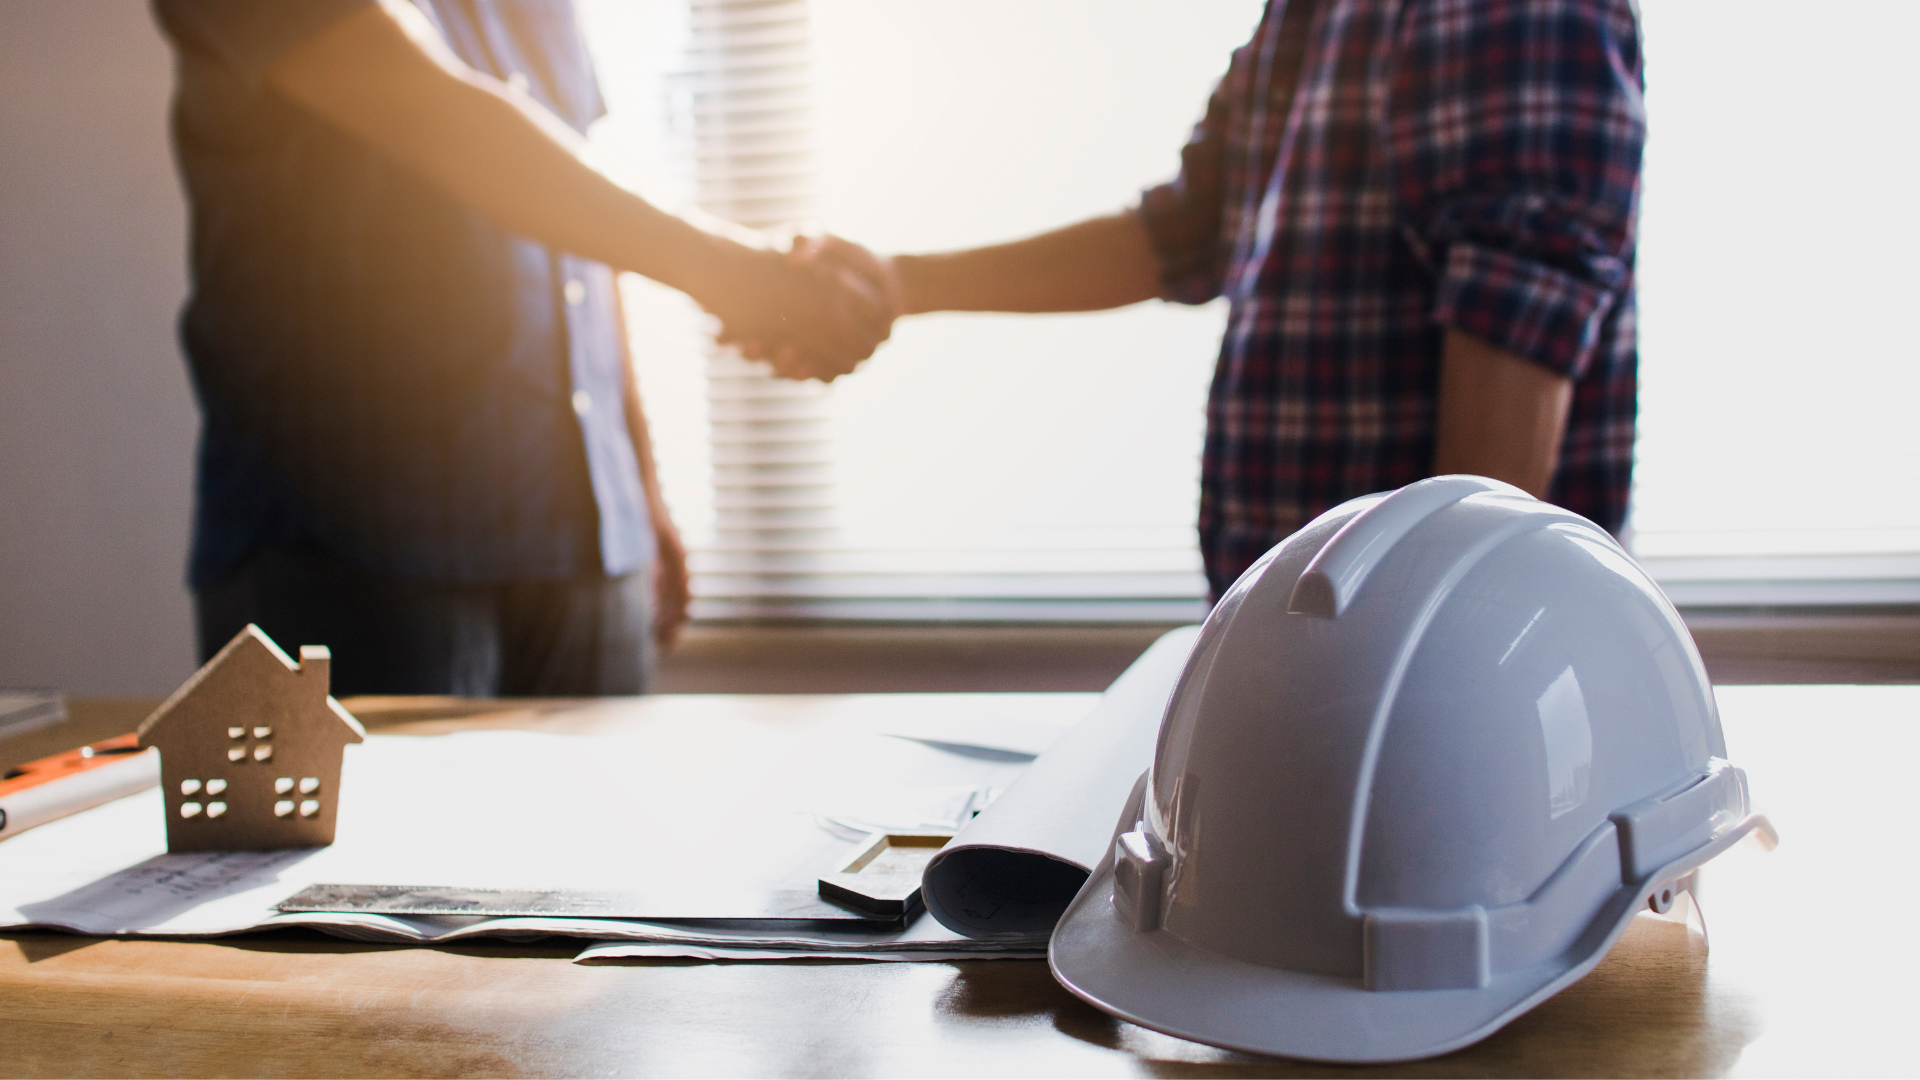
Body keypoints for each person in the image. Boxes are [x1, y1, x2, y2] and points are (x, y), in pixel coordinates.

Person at [790, 0, 1644, 599]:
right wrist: (900, 283)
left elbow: (1519, 313)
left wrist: (1439, 666)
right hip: (1313, 652)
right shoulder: (1305, 17)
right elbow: (1184, 234)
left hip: (1416, 683)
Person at [154, 0, 888, 696]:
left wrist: (639, 480)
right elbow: (446, 119)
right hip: (347, 545)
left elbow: (577, 226)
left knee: (594, 830)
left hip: (581, 537)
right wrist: (733, 271)